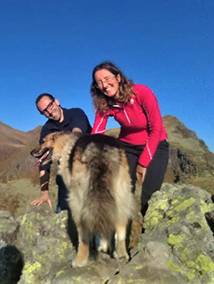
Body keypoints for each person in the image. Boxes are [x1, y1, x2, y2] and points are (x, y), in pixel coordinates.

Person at [90, 61, 169, 216]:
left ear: (118, 77)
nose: (104, 85)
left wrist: (143, 163)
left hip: (155, 144)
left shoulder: (142, 92)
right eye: (99, 82)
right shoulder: (104, 104)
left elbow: (156, 129)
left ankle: (148, 233)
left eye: (107, 79)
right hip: (127, 147)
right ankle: (122, 234)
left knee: (150, 195)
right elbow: (97, 133)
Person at [31, 93, 92, 212]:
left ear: (56, 102)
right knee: (63, 214)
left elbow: (78, 130)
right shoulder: (47, 129)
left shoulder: (75, 114)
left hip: (88, 170)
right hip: (65, 176)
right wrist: (44, 193)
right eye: (44, 111)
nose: (49, 111)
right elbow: (44, 160)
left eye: (49, 106)